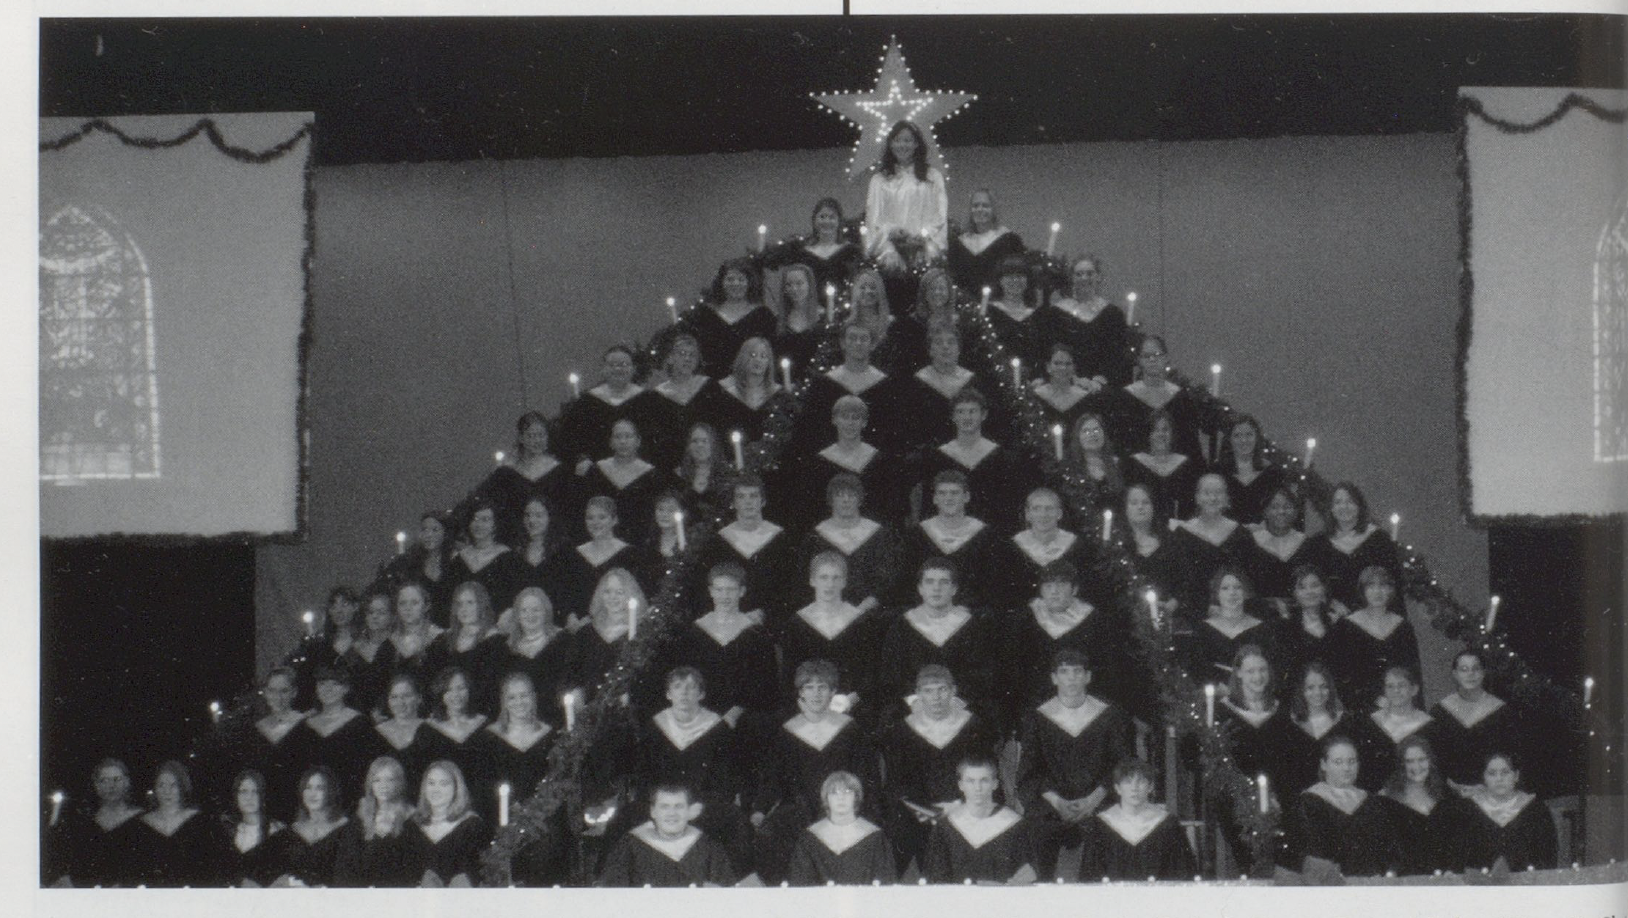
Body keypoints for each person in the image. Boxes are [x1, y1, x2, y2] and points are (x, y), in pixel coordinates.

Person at [750, 660, 880, 884]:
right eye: (809, 687)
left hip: (842, 805)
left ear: (832, 693)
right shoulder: (788, 731)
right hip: (799, 806)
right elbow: (772, 776)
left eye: (823, 687)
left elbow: (866, 776)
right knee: (769, 835)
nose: (816, 694)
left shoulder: (850, 729)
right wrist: (760, 809)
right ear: (800, 693)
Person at [1015, 650, 1134, 880]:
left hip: (1100, 799)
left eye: (1077, 672)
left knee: (1107, 830)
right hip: (1051, 803)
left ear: (1088, 677)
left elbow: (1121, 765)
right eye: (1064, 672)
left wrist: (1092, 800)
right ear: (1054, 678)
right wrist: (1058, 802)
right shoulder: (1037, 717)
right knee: (1035, 832)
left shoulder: (1111, 715)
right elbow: (1030, 771)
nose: (1071, 678)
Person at [877, 666, 1001, 874]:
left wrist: (958, 805)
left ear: (954, 691)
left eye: (942, 689)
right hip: (917, 812)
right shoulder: (901, 731)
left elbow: (985, 774)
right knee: (899, 835)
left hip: (965, 805)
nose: (936, 697)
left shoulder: (974, 727)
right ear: (917, 694)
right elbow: (897, 783)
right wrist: (926, 809)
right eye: (928, 691)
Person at [634, 667, 754, 875]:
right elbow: (645, 773)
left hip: (705, 801)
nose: (684, 693)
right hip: (661, 801)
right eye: (678, 687)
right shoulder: (654, 728)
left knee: (736, 825)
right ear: (668, 694)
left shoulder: (717, 728)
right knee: (624, 822)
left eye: (691, 687)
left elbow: (727, 775)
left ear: (701, 694)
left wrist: (701, 803)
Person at [1005, 564, 1133, 726]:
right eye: (1048, 586)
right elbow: (1016, 668)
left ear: (1074, 590)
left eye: (1061, 585)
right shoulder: (1026, 619)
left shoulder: (1093, 620)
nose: (1054, 592)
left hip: (1084, 698)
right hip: (1037, 701)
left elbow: (1105, 667)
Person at [657, 563, 779, 734]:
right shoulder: (694, 631)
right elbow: (685, 676)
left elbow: (764, 682)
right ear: (711, 591)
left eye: (731, 590)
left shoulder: (756, 633)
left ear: (742, 591)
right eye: (719, 590)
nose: (725, 596)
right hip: (699, 714)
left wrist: (735, 713)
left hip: (745, 716)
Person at [879, 558, 999, 722]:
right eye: (929, 582)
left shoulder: (972, 626)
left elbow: (982, 674)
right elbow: (893, 673)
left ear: (954, 589)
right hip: (914, 704)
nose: (936, 588)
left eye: (944, 582)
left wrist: (957, 701)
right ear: (920, 589)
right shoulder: (903, 625)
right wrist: (915, 701)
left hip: (961, 703)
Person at [917, 388, 1036, 537]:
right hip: (947, 535)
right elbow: (928, 507)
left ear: (983, 415)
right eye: (961, 412)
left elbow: (1010, 510)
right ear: (953, 417)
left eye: (972, 411)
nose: (967, 417)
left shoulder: (1003, 458)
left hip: (994, 537)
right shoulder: (936, 458)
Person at [778, 552, 882, 717]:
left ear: (844, 582)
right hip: (806, 706)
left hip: (850, 705)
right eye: (824, 577)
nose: (830, 584)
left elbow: (871, 674)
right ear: (812, 580)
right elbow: (789, 675)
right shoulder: (797, 623)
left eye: (836, 578)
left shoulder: (860, 621)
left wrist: (849, 700)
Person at [1290, 735, 1397, 877]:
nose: (1346, 768)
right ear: (1323, 764)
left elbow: (1387, 848)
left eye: (1351, 761)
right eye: (1338, 762)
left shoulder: (1370, 801)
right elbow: (1311, 853)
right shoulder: (1310, 802)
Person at [696, 475, 795, 629]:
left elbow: (789, 586)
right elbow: (710, 585)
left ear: (763, 501)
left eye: (753, 496)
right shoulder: (720, 542)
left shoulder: (780, 539)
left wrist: (764, 613)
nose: (748, 502)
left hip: (769, 623)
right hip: (728, 622)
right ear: (733, 503)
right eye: (741, 497)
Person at [797, 473, 903, 613]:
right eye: (840, 495)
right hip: (826, 610)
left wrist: (869, 604)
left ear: (860, 500)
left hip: (870, 612)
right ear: (831, 500)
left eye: (852, 495)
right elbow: (805, 579)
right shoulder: (816, 536)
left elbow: (888, 578)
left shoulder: (878, 534)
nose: (846, 500)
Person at [464, 411, 573, 549]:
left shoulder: (560, 471)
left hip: (551, 543)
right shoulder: (506, 473)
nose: (537, 440)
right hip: (515, 543)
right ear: (521, 438)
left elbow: (568, 510)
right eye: (531, 436)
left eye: (541, 435)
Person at [921, 756, 1037, 884]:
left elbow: (1027, 876)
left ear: (995, 784)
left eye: (984, 781)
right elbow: (937, 880)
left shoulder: (1016, 826)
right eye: (970, 781)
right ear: (961, 785)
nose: (978, 788)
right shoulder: (946, 828)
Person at [893, 470, 1000, 609]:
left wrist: (967, 608)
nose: (948, 498)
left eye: (955, 493)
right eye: (942, 493)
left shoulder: (986, 535)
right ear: (934, 499)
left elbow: (992, 584)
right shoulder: (916, 535)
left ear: (966, 497)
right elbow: (906, 580)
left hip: (973, 613)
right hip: (925, 612)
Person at [596, 783, 739, 887]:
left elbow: (726, 894)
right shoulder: (630, 846)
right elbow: (612, 895)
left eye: (679, 806)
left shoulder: (708, 847)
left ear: (690, 812)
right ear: (653, 812)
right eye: (665, 807)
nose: (672, 813)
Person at [1079, 757, 1198, 881]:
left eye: (1140, 782)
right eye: (1128, 782)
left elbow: (1183, 874)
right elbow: (1090, 877)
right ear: (1118, 788)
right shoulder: (1100, 826)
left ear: (1150, 787)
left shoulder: (1168, 825)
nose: (1134, 788)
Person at [794, 395, 903, 528]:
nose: (850, 423)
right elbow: (811, 508)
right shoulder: (819, 462)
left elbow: (889, 508)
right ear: (834, 420)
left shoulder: (880, 461)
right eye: (844, 417)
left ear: (864, 423)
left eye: (856, 418)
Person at [543, 496, 652, 629]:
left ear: (614, 520)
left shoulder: (630, 555)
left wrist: (595, 621)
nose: (595, 522)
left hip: (617, 628)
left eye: (602, 517)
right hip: (578, 628)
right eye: (590, 518)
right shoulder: (573, 555)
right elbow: (564, 594)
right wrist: (570, 617)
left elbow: (635, 598)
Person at [794, 320, 895, 458]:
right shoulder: (823, 385)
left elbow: (889, 434)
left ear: (872, 345)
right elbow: (813, 431)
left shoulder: (886, 386)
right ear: (842, 343)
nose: (858, 343)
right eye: (852, 338)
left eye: (864, 339)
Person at [1429, 649, 1525, 791]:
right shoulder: (1440, 712)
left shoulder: (1502, 712)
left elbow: (1512, 757)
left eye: (1476, 668)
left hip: (1494, 791)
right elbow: (1433, 759)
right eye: (1464, 669)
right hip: (1451, 792)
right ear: (1455, 674)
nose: (1470, 674)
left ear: (1484, 672)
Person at [1327, 566, 1421, 710]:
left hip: (1400, 705)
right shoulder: (1347, 626)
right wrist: (1373, 700)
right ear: (1363, 591)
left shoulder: (1403, 627)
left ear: (1391, 590)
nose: (1377, 592)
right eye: (1371, 586)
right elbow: (1341, 675)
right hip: (1362, 708)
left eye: (1383, 585)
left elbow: (1412, 672)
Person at [1101, 335, 1206, 461]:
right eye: (1146, 356)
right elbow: (1118, 443)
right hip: (1134, 470)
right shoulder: (1125, 398)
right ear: (1139, 360)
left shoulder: (1181, 398)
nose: (1152, 359)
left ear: (1166, 358)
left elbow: (1191, 444)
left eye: (1157, 354)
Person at [556, 344, 662, 468]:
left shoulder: (648, 400)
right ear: (603, 369)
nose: (618, 369)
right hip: (597, 474)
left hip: (640, 473)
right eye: (612, 365)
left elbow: (658, 440)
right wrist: (581, 459)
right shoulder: (587, 402)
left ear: (633, 369)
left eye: (624, 365)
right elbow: (569, 439)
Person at [785, 770, 899, 885]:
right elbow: (800, 883)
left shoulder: (875, 838)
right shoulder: (810, 839)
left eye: (847, 792)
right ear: (826, 799)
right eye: (834, 793)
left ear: (856, 797)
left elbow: (886, 883)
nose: (841, 798)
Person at [1168, 474, 1255, 624]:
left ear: (1227, 498)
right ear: (1197, 498)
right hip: (1192, 614)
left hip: (1234, 612)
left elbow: (1248, 578)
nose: (1213, 498)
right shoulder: (1182, 535)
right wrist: (1204, 607)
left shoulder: (1241, 534)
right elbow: (1178, 580)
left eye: (1218, 493)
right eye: (1207, 493)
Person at [473, 673, 556, 827]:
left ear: (533, 697)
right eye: (512, 697)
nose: (519, 702)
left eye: (524, 695)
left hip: (545, 818)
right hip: (501, 820)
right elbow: (483, 786)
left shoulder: (550, 735)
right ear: (504, 702)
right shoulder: (488, 738)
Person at [1215, 646, 1295, 806]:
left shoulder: (1282, 711)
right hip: (1238, 802)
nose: (1258, 676)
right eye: (1250, 671)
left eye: (1262, 670)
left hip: (1279, 797)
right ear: (1238, 673)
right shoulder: (1222, 712)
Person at [47, 758, 146, 887]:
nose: (111, 786)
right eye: (104, 780)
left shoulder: (143, 819)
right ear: (96, 786)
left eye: (117, 779)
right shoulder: (86, 823)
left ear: (127, 783)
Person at [865, 120, 948, 272]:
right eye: (897, 140)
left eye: (908, 140)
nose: (902, 145)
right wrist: (891, 232)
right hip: (889, 254)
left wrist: (924, 236)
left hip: (924, 251)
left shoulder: (932, 177)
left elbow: (940, 215)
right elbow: (873, 219)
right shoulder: (879, 180)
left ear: (916, 144)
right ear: (890, 144)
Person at [291, 665, 374, 812]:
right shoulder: (305, 726)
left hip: (349, 803)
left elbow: (366, 770)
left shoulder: (361, 723)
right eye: (322, 684)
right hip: (312, 804)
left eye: (335, 684)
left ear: (346, 688)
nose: (327, 689)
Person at [1309, 482, 1403, 612]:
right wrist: (1330, 604)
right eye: (1338, 502)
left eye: (1350, 501)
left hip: (1374, 616)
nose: (1344, 507)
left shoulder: (1379, 539)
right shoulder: (1318, 543)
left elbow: (1393, 582)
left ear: (1359, 506)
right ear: (1331, 508)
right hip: (1334, 617)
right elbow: (1313, 584)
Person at [1456, 751, 1557, 871]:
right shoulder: (1470, 810)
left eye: (1505, 772)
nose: (1499, 779)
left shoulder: (1536, 810)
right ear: (1484, 778)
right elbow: (1460, 857)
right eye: (1492, 774)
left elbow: (1547, 857)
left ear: (1516, 776)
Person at [131, 760, 224, 887]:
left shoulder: (201, 822)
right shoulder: (140, 825)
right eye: (161, 785)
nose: (166, 791)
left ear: (182, 787)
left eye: (173, 785)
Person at [565, 569, 652, 704]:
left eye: (620, 592)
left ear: (630, 596)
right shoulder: (586, 633)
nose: (613, 597)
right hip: (590, 709)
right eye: (608, 591)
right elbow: (573, 674)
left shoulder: (642, 633)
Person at [1373, 735, 1456, 875]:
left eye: (1421, 760)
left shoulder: (1443, 797)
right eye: (1409, 761)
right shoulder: (1385, 799)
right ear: (1401, 765)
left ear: (1430, 761)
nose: (1416, 767)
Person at [1044, 254, 1132, 388]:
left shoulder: (1113, 314)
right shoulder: (1057, 314)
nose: (1084, 278)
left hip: (1103, 386)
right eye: (1079, 274)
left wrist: (1099, 380)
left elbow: (1117, 356)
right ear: (1072, 278)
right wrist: (1074, 379)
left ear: (1098, 277)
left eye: (1090, 273)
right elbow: (1052, 352)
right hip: (1066, 385)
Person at [681, 259, 778, 378]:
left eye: (741, 279)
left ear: (749, 283)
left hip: (749, 385)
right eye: (730, 279)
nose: (735, 283)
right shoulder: (704, 314)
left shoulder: (763, 315)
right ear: (721, 283)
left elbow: (771, 354)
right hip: (710, 383)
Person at [1351, 665, 1441, 793]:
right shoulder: (1370, 724)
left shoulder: (1430, 726)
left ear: (1414, 689)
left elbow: (1435, 769)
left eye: (1402, 685)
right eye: (1390, 686)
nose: (1396, 691)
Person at [894, 322, 980, 457]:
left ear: (959, 350)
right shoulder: (916, 383)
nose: (945, 347)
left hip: (967, 452)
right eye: (939, 342)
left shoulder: (973, 382)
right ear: (930, 350)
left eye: (951, 342)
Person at [577, 418, 665, 548]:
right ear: (611, 442)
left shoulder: (651, 475)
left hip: (640, 544)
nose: (623, 441)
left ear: (638, 441)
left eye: (628, 436)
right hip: (601, 542)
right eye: (618, 437)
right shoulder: (596, 471)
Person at [235, 665, 306, 823]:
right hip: (263, 812)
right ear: (265, 693)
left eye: (284, 691)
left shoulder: (305, 727)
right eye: (272, 691)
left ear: (294, 692)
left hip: (297, 811)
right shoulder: (256, 730)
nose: (278, 697)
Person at [334, 756, 418, 887]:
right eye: (377, 780)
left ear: (399, 783)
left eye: (389, 780)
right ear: (370, 784)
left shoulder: (413, 818)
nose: (383, 786)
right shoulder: (359, 819)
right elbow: (345, 867)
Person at [647, 333, 724, 474]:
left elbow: (719, 427)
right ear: (670, 358)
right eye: (682, 354)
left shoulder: (709, 388)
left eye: (692, 355)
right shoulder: (656, 396)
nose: (687, 359)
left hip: (709, 466)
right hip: (673, 468)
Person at [406, 760, 492, 887]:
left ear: (457, 788)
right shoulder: (411, 826)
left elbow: (479, 874)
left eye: (444, 784)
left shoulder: (472, 826)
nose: (436, 789)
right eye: (431, 783)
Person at [1000, 488, 1095, 601]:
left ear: (1059, 514)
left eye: (1049, 509)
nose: (1043, 514)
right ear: (1028, 514)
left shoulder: (1077, 547)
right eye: (1036, 509)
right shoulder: (1011, 548)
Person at [1183, 567, 1275, 683]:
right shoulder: (1203, 629)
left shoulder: (1262, 629)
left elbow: (1269, 668)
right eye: (1225, 588)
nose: (1232, 593)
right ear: (1217, 593)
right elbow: (1197, 670)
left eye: (1237, 588)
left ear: (1246, 592)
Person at [432, 581, 508, 718]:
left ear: (482, 606)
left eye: (470, 603)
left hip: (482, 715)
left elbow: (493, 691)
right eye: (459, 604)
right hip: (447, 715)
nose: (464, 609)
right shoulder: (443, 641)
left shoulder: (496, 642)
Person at [1281, 662, 1356, 796]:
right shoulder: (1288, 724)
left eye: (1323, 687)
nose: (1318, 693)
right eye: (1310, 688)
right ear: (1302, 691)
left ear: (1331, 689)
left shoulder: (1346, 723)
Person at [765, 196, 863, 295]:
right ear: (814, 220)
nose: (826, 221)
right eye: (822, 217)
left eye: (831, 217)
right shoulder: (803, 253)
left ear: (839, 221)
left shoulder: (851, 251)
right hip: (810, 309)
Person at [271, 766, 349, 887]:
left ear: (330, 792)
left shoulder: (346, 828)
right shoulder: (292, 831)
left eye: (320, 788)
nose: (313, 794)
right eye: (308, 788)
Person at [424, 667, 492, 802]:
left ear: (469, 691)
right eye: (449, 690)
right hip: (442, 803)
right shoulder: (427, 729)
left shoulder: (486, 726)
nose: (456, 695)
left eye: (461, 688)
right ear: (441, 694)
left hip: (481, 801)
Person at [1242, 487, 1317, 606]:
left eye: (1287, 507)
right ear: (1265, 512)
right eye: (1274, 507)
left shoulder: (1308, 545)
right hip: (1261, 610)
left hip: (1299, 610)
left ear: (1296, 512)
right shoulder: (1251, 543)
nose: (1281, 511)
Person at [713, 336, 793, 446]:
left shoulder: (777, 393)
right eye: (753, 355)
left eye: (764, 356)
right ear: (743, 358)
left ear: (769, 362)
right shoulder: (724, 389)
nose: (758, 360)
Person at [1124, 410, 1201, 522]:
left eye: (1165, 430)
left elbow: (1193, 504)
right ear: (1149, 435)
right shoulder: (1134, 464)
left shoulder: (1186, 465)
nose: (1161, 434)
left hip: (1178, 529)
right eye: (1155, 430)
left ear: (1172, 434)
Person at [886, 266, 961, 381]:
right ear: (924, 293)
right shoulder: (908, 325)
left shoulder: (960, 324)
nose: (937, 292)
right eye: (932, 288)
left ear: (949, 293)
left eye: (941, 288)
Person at [947, 188, 1025, 293]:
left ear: (994, 210)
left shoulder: (1010, 241)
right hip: (964, 304)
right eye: (975, 206)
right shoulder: (958, 244)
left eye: (985, 206)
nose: (980, 209)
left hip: (997, 304)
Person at [219, 769, 287, 887]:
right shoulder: (227, 830)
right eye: (243, 792)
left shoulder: (277, 830)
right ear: (236, 796)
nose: (249, 797)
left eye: (254, 791)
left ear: (262, 796)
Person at [1215, 414, 1286, 526]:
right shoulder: (1216, 472)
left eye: (1249, 435)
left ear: (1257, 438)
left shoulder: (1273, 473)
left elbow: (1280, 509)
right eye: (1237, 435)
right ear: (1229, 439)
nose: (1243, 440)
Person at [984, 255, 1046, 372]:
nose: (1015, 280)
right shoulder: (989, 312)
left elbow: (1042, 352)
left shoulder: (1036, 316)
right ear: (1000, 280)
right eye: (1009, 276)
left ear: (1028, 281)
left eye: (1020, 276)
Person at [341, 589, 399, 717]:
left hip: (393, 714)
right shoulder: (353, 650)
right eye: (371, 612)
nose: (375, 616)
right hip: (358, 716)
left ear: (392, 616)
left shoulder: (399, 649)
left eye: (381, 612)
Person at [771, 262, 827, 381]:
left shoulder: (825, 319)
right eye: (789, 285)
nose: (794, 289)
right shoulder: (778, 320)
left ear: (810, 285)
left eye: (799, 283)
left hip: (818, 384)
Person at [388, 580, 448, 688]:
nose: (408, 608)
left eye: (414, 603)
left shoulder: (441, 639)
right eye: (402, 603)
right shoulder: (390, 643)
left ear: (426, 606)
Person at [673, 422, 736, 522]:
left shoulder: (726, 474)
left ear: (713, 445)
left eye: (705, 441)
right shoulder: (678, 475)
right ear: (688, 446)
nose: (700, 445)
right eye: (695, 441)